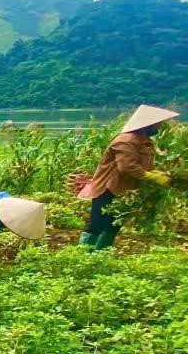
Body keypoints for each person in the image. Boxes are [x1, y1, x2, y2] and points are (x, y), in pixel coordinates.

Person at [77, 104, 179, 250]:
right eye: (157, 124)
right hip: (108, 188)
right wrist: (150, 176)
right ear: (147, 124)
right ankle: (83, 256)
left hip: (124, 190)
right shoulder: (125, 140)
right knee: (97, 224)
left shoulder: (145, 141)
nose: (159, 127)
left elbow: (145, 165)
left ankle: (100, 256)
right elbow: (127, 166)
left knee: (114, 225)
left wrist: (156, 173)